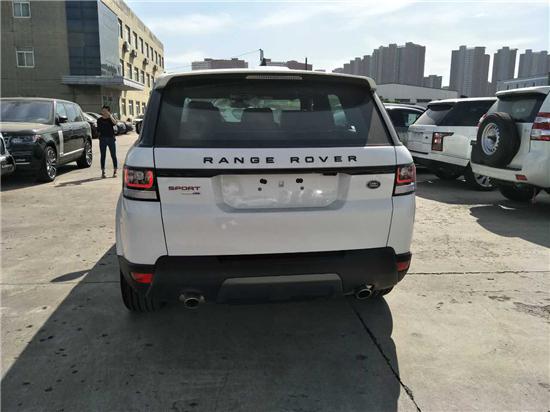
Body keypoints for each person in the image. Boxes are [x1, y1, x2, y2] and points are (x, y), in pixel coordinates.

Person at [96, 105, 118, 178]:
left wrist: (110, 116)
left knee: (113, 155)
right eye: (103, 110)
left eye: (105, 111)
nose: (103, 112)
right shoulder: (99, 120)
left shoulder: (110, 119)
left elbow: (115, 123)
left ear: (108, 111)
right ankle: (103, 172)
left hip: (111, 139)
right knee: (103, 155)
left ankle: (115, 171)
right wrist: (99, 136)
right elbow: (98, 130)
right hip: (102, 139)